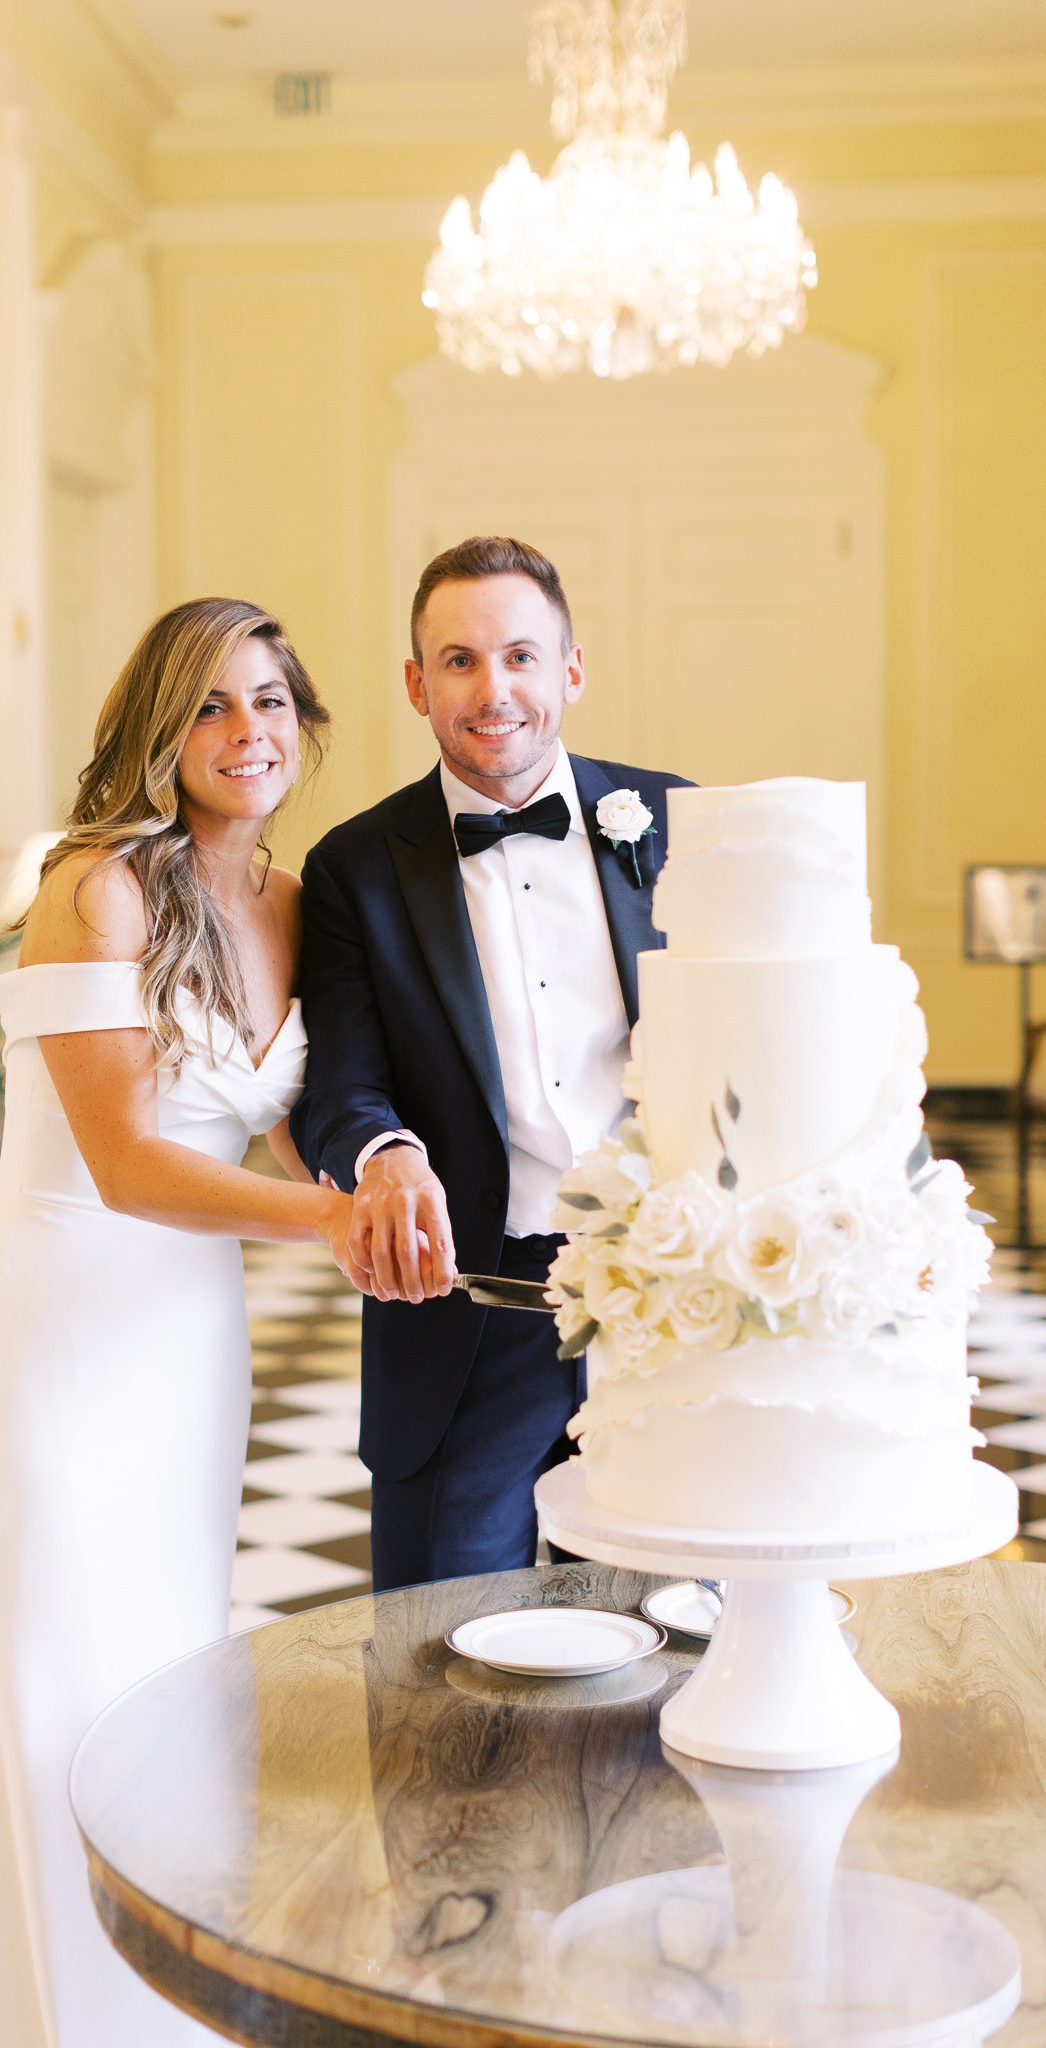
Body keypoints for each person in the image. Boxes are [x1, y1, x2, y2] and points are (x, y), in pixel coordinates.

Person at [0, 598, 369, 2048]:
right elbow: (132, 1162)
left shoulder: (284, 899)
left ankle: (142, 2002)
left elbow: (267, 1127)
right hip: (58, 1329)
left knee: (152, 1667)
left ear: (304, 720)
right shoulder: (96, 885)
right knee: (46, 1673)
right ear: (157, 727)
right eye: (209, 706)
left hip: (188, 1345)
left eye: (268, 700)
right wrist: (331, 1226)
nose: (245, 732)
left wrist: (375, 1195)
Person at [290, 535, 691, 1592]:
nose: (493, 687)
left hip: (670, 1300)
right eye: (459, 660)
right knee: (443, 1656)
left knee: (673, 1636)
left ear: (571, 668)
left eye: (520, 654)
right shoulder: (354, 868)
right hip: (471, 1304)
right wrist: (384, 1156)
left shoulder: (678, 823)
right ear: (418, 683)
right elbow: (341, 1081)